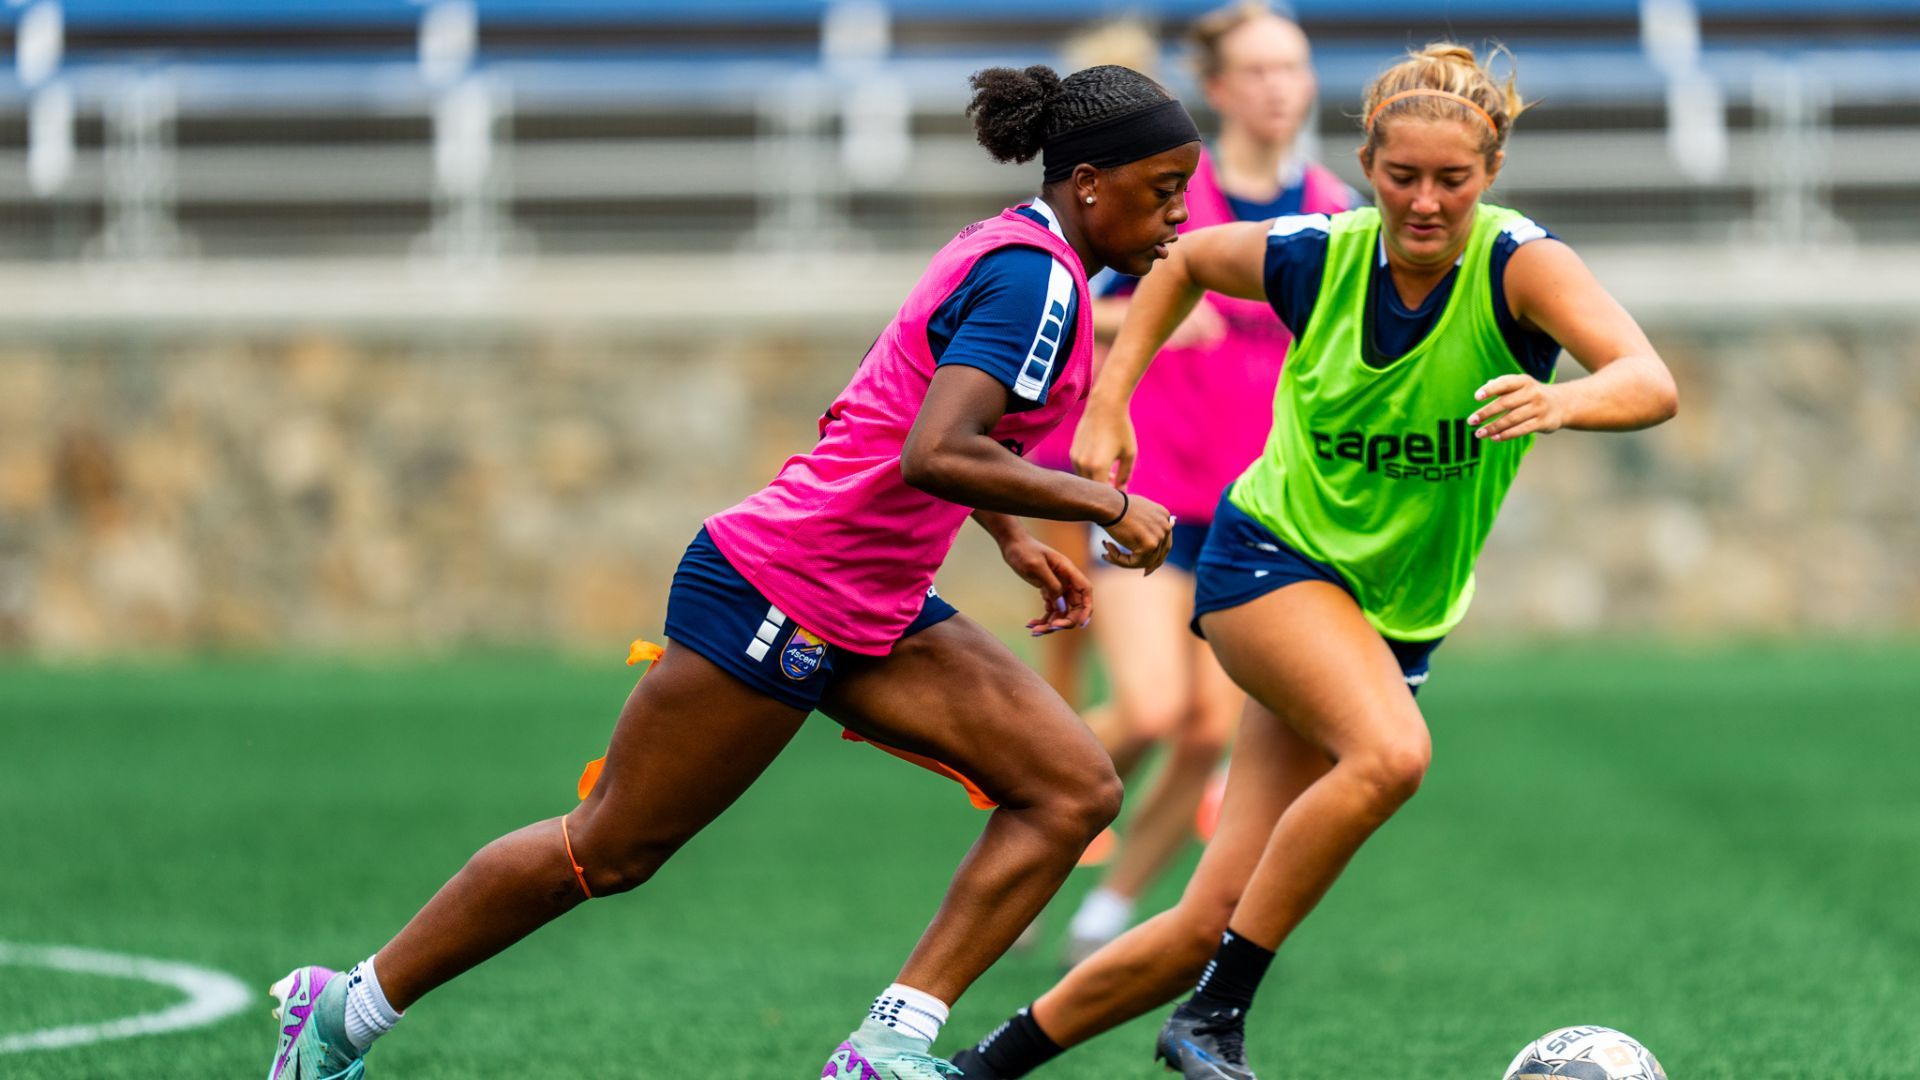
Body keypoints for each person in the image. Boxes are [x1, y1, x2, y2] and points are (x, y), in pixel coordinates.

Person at [264, 63, 1202, 1080]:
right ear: (1094, 183)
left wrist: (1009, 534)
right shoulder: (1038, 280)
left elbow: (903, 415)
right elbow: (935, 447)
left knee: (1070, 788)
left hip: (864, 599)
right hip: (780, 588)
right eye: (1162, 191)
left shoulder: (1026, 255)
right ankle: (343, 1010)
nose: (1177, 218)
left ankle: (886, 1050)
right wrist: (1102, 504)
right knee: (611, 847)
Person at [951, 42, 1678, 1080]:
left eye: (1452, 181)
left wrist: (1563, 398)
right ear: (1369, 167)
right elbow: (1192, 260)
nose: (1424, 203)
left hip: (1392, 609)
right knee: (1391, 756)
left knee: (1209, 914)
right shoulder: (1318, 252)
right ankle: (1218, 1018)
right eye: (1402, 177)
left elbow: (1650, 380)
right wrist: (1109, 402)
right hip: (1271, 561)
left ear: (1493, 173)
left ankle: (976, 1068)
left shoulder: (1524, 267)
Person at [1060, 0, 1362, 969]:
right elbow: (1066, 305)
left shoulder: (1336, 214)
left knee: (1201, 734)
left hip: (1257, 517)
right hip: (1148, 497)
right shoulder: (1174, 202)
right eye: (1260, 70)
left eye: (1294, 67)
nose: (1281, 87)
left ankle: (1108, 907)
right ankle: (1032, 809)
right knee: (1150, 710)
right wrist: (1134, 325)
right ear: (1220, 90)